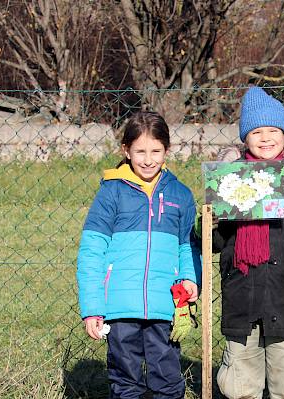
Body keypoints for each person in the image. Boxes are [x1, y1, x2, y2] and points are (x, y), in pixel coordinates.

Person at [76, 111, 200, 399]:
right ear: (126, 151)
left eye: (156, 151)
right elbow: (92, 250)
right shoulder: (111, 192)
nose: (148, 159)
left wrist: (189, 278)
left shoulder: (180, 194)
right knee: (125, 383)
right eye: (140, 151)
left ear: (166, 150)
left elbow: (187, 245)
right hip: (120, 307)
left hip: (164, 305)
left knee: (167, 381)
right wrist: (93, 308)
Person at [213, 86, 284, 399]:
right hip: (241, 294)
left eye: (273, 130)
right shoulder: (230, 180)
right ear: (245, 138)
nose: (265, 138)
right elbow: (217, 241)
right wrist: (212, 222)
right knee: (240, 387)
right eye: (256, 131)